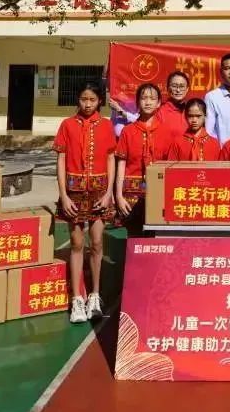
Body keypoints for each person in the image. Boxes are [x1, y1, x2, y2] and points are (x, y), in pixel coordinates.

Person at [54, 82, 116, 324]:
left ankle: (95, 295)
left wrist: (108, 192)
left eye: (92, 100)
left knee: (97, 243)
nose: (88, 104)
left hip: (100, 192)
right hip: (73, 192)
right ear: (78, 100)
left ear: (100, 101)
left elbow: (110, 158)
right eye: (83, 99)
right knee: (77, 243)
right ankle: (77, 298)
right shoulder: (67, 124)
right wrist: (64, 194)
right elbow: (61, 160)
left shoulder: (107, 125)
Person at [114, 83, 171, 234]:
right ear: (138, 102)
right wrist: (118, 196)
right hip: (131, 194)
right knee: (134, 236)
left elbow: (169, 167)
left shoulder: (166, 131)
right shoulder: (127, 131)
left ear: (159, 103)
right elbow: (121, 164)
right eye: (144, 98)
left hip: (158, 192)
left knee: (156, 238)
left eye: (152, 98)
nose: (148, 102)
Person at [155, 71, 192, 139]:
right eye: (174, 86)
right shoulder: (159, 112)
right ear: (167, 88)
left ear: (187, 89)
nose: (178, 90)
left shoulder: (191, 110)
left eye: (181, 86)